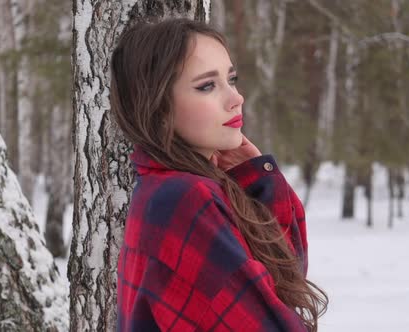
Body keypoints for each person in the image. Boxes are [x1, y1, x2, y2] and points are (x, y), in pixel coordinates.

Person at [110, 18, 327, 332]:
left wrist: (258, 181)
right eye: (207, 86)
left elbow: (281, 284)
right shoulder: (183, 198)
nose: (236, 98)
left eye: (232, 78)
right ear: (159, 107)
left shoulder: (163, 190)